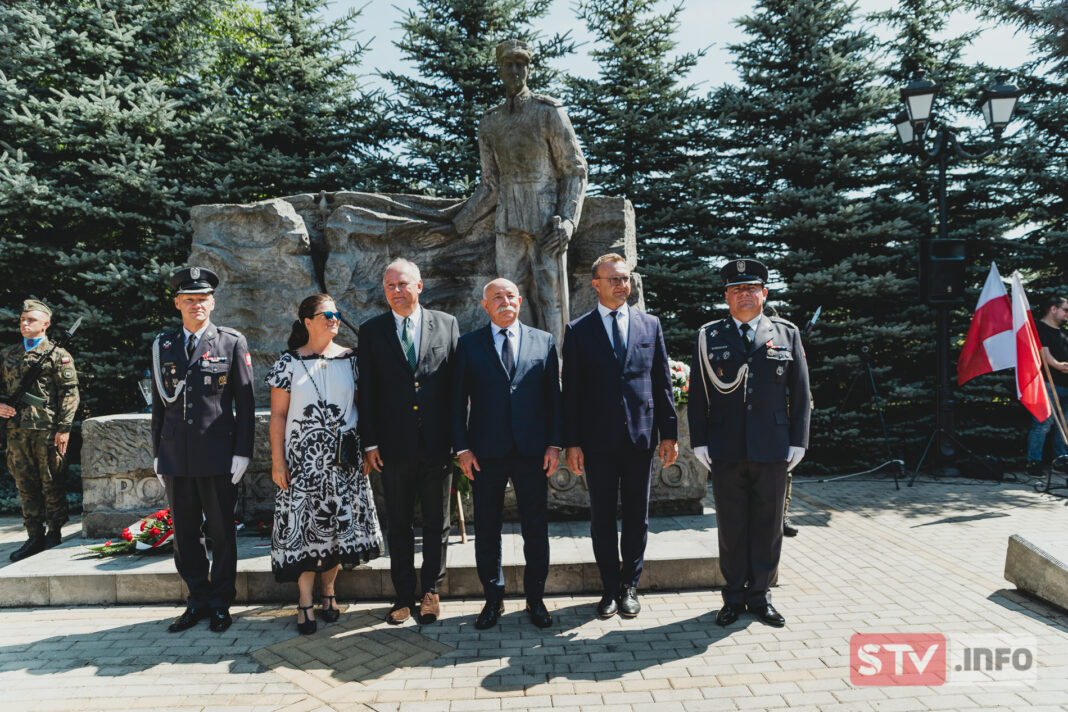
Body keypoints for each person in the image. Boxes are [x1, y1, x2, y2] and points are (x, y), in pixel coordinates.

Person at [437, 39, 587, 348]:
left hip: (548, 220)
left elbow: (575, 170)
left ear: (529, 69)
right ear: (500, 70)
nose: (516, 70)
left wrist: (569, 223)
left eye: (522, 64)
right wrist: (457, 224)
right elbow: (490, 185)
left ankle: (557, 365)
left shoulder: (548, 111)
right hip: (507, 220)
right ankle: (523, 357)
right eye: (509, 64)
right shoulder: (490, 122)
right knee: (509, 294)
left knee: (551, 295)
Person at [688, 259, 810, 629]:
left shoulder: (786, 333)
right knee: (732, 524)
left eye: (751, 288)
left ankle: (761, 595)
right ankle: (733, 597)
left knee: (768, 524)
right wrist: (699, 442)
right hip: (725, 448)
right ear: (726, 297)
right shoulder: (710, 335)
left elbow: (801, 393)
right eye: (736, 290)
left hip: (772, 447)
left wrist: (798, 442)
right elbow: (698, 396)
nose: (745, 295)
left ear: (764, 293)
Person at [561, 254, 678, 619]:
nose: (620, 285)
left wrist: (669, 435)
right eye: (612, 279)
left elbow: (662, 384)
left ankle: (630, 586)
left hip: (640, 439)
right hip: (597, 442)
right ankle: (609, 588)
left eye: (625, 279)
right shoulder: (578, 330)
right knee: (601, 518)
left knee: (636, 517)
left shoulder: (650, 325)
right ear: (595, 284)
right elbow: (572, 394)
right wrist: (572, 442)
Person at [266, 294, 384, 635]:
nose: (334, 318)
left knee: (335, 533)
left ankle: (329, 593)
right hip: (303, 465)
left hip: (343, 464)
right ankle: (304, 601)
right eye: (326, 314)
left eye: (336, 314)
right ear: (307, 322)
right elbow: (277, 416)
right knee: (304, 532)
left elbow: (364, 412)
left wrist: (366, 451)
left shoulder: (352, 360)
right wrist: (278, 462)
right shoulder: (288, 362)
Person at [452, 278, 562, 630]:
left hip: (532, 451)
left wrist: (554, 444)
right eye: (496, 297)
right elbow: (456, 404)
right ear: (484, 305)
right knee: (487, 529)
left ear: (519, 301)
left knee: (536, 527)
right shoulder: (468, 345)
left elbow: (554, 400)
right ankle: (493, 599)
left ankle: (536, 598)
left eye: (510, 296)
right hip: (485, 452)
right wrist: (463, 449)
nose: (504, 302)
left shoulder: (543, 342)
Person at [151, 267, 255, 634]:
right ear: (177, 302)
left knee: (223, 532)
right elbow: (159, 407)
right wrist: (157, 452)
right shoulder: (163, 345)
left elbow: (245, 401)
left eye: (203, 298)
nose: (197, 304)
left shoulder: (230, 342)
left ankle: (221, 602)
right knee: (185, 534)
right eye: (189, 299)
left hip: (219, 456)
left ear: (213, 302)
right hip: (177, 456)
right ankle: (197, 599)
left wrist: (243, 452)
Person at [357, 259, 458, 625]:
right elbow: (366, 392)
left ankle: (431, 590)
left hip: (437, 444)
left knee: (437, 522)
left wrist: (460, 442)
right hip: (392, 446)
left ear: (419, 286)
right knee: (398, 523)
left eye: (402, 284)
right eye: (389, 286)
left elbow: (456, 388)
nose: (396, 291)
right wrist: (369, 443)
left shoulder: (446, 325)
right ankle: (402, 595)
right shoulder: (372, 332)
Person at [0, 299, 79, 562]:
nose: (24, 323)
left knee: (51, 480)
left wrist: (64, 428)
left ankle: (54, 533)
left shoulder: (58, 355)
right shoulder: (8, 354)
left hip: (47, 429)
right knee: (25, 483)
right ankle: (33, 536)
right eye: (22, 319)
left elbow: (70, 393)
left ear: (46, 324)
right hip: (16, 430)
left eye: (30, 320)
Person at [1027, 296, 1068, 477]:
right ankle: (1033, 463)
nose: (1067, 314)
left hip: (1066, 384)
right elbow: (1044, 354)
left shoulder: (1063, 332)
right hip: (1048, 384)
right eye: (1065, 310)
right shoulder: (1039, 328)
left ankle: (1060, 461)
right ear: (1053, 309)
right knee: (1043, 423)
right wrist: (1058, 365)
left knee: (1065, 425)